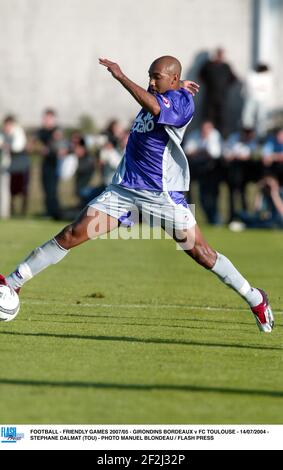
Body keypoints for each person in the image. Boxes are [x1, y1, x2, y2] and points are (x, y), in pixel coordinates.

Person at [0, 56, 273, 333]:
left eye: (157, 77)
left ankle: (255, 298)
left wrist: (121, 77)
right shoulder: (165, 95)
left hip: (161, 196)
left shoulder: (182, 102)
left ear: (174, 79)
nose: (151, 82)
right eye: (149, 76)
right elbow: (155, 101)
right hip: (124, 191)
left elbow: (157, 106)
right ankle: (11, 282)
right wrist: (171, 87)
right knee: (72, 234)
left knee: (203, 254)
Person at [199, 48, 237, 136]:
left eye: (221, 54)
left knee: (221, 120)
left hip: (222, 99)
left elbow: (233, 78)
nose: (220, 56)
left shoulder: (226, 66)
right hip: (210, 98)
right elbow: (201, 76)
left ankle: (221, 138)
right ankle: (208, 137)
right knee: (208, 119)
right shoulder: (208, 65)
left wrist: (224, 86)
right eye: (218, 54)